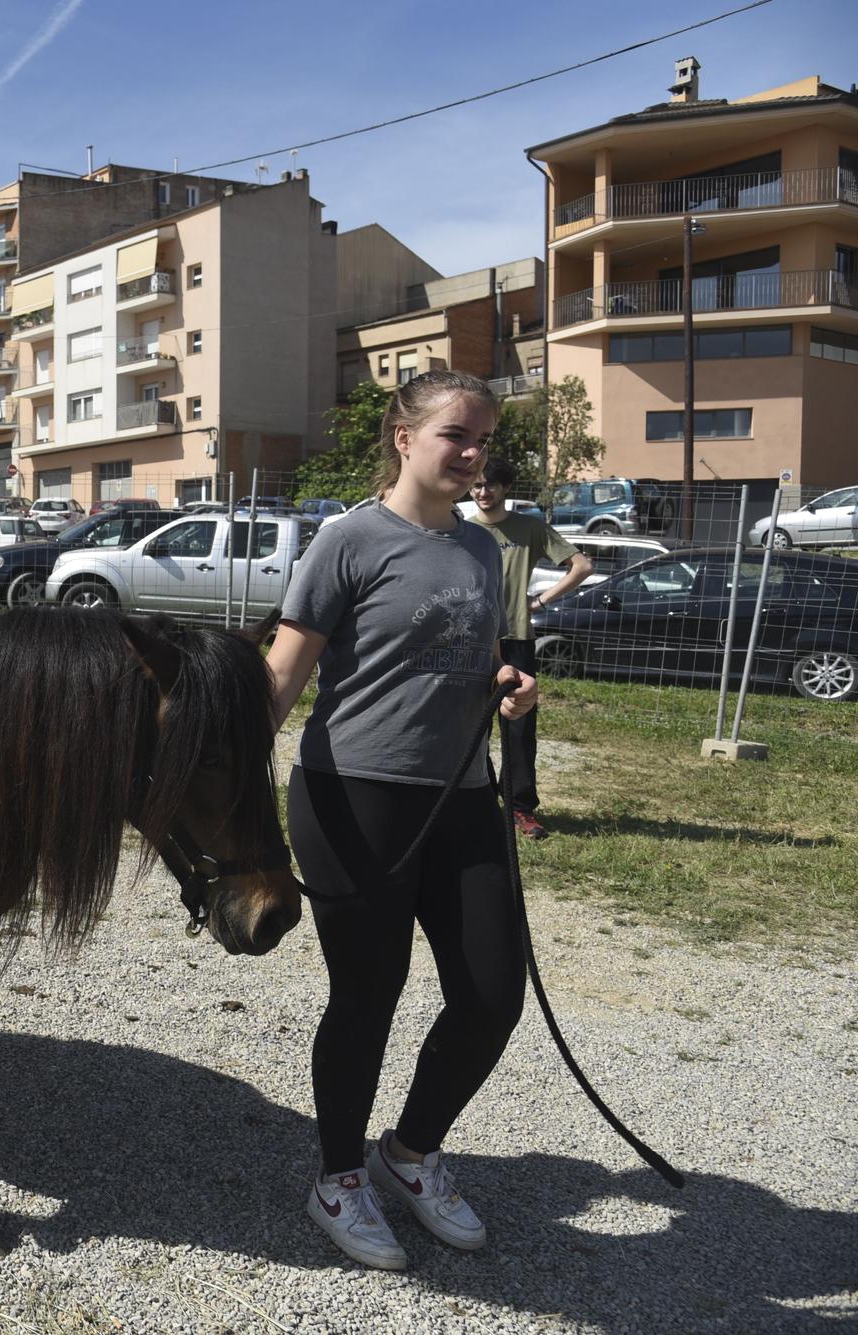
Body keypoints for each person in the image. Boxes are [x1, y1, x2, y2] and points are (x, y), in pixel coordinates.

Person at [263, 369, 539, 1271]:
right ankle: (338, 1177)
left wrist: (509, 681)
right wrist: (221, 773)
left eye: (483, 441)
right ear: (403, 436)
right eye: (456, 435)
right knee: (368, 996)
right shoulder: (350, 539)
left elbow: (482, 653)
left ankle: (410, 1152)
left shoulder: (482, 552)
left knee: (493, 994)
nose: (472, 454)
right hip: (354, 796)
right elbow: (285, 670)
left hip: (461, 798)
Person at [467, 457, 591, 839]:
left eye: (490, 485)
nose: (483, 492)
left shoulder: (530, 527)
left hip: (517, 639)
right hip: (474, 640)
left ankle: (520, 808)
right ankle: (482, 803)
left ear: (505, 488)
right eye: (476, 486)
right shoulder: (462, 530)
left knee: (519, 730)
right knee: (472, 728)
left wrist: (539, 601)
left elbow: (581, 566)